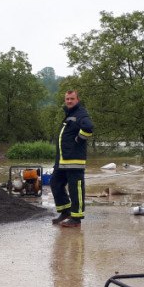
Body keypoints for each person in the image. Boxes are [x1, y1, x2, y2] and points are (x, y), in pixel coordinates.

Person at [50, 90, 94, 228]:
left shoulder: (81, 113)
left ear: (78, 99)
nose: (69, 101)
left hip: (74, 161)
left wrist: (80, 139)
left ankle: (76, 218)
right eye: (67, 98)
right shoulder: (69, 114)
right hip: (62, 161)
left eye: (72, 99)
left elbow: (89, 127)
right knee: (55, 183)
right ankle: (66, 211)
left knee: (76, 189)